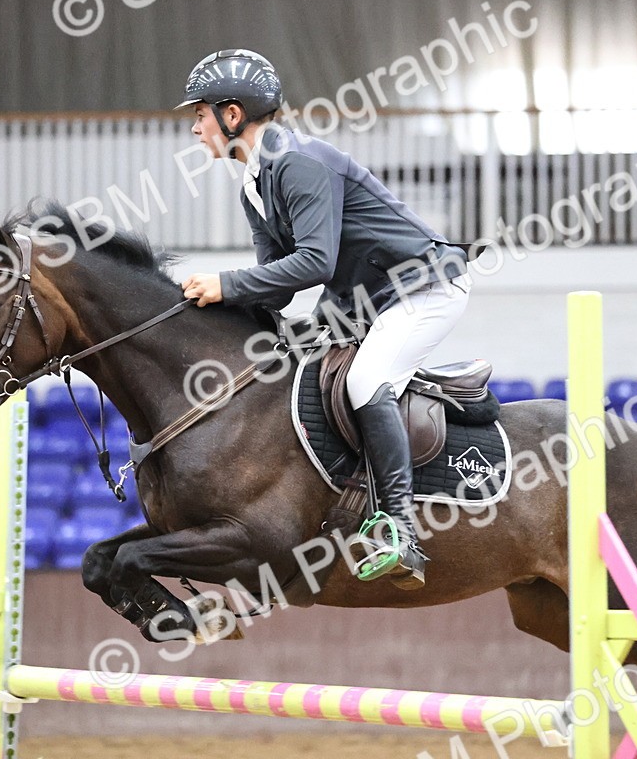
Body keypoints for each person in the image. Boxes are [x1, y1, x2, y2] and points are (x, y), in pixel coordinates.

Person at [177, 49, 471, 590]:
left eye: (199, 114)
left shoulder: (298, 162)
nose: (195, 127)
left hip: (423, 286)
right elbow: (278, 283)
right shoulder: (254, 184)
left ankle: (401, 530)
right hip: (367, 300)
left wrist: (225, 283)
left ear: (233, 115)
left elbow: (315, 262)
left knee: (364, 382)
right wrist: (211, 314)